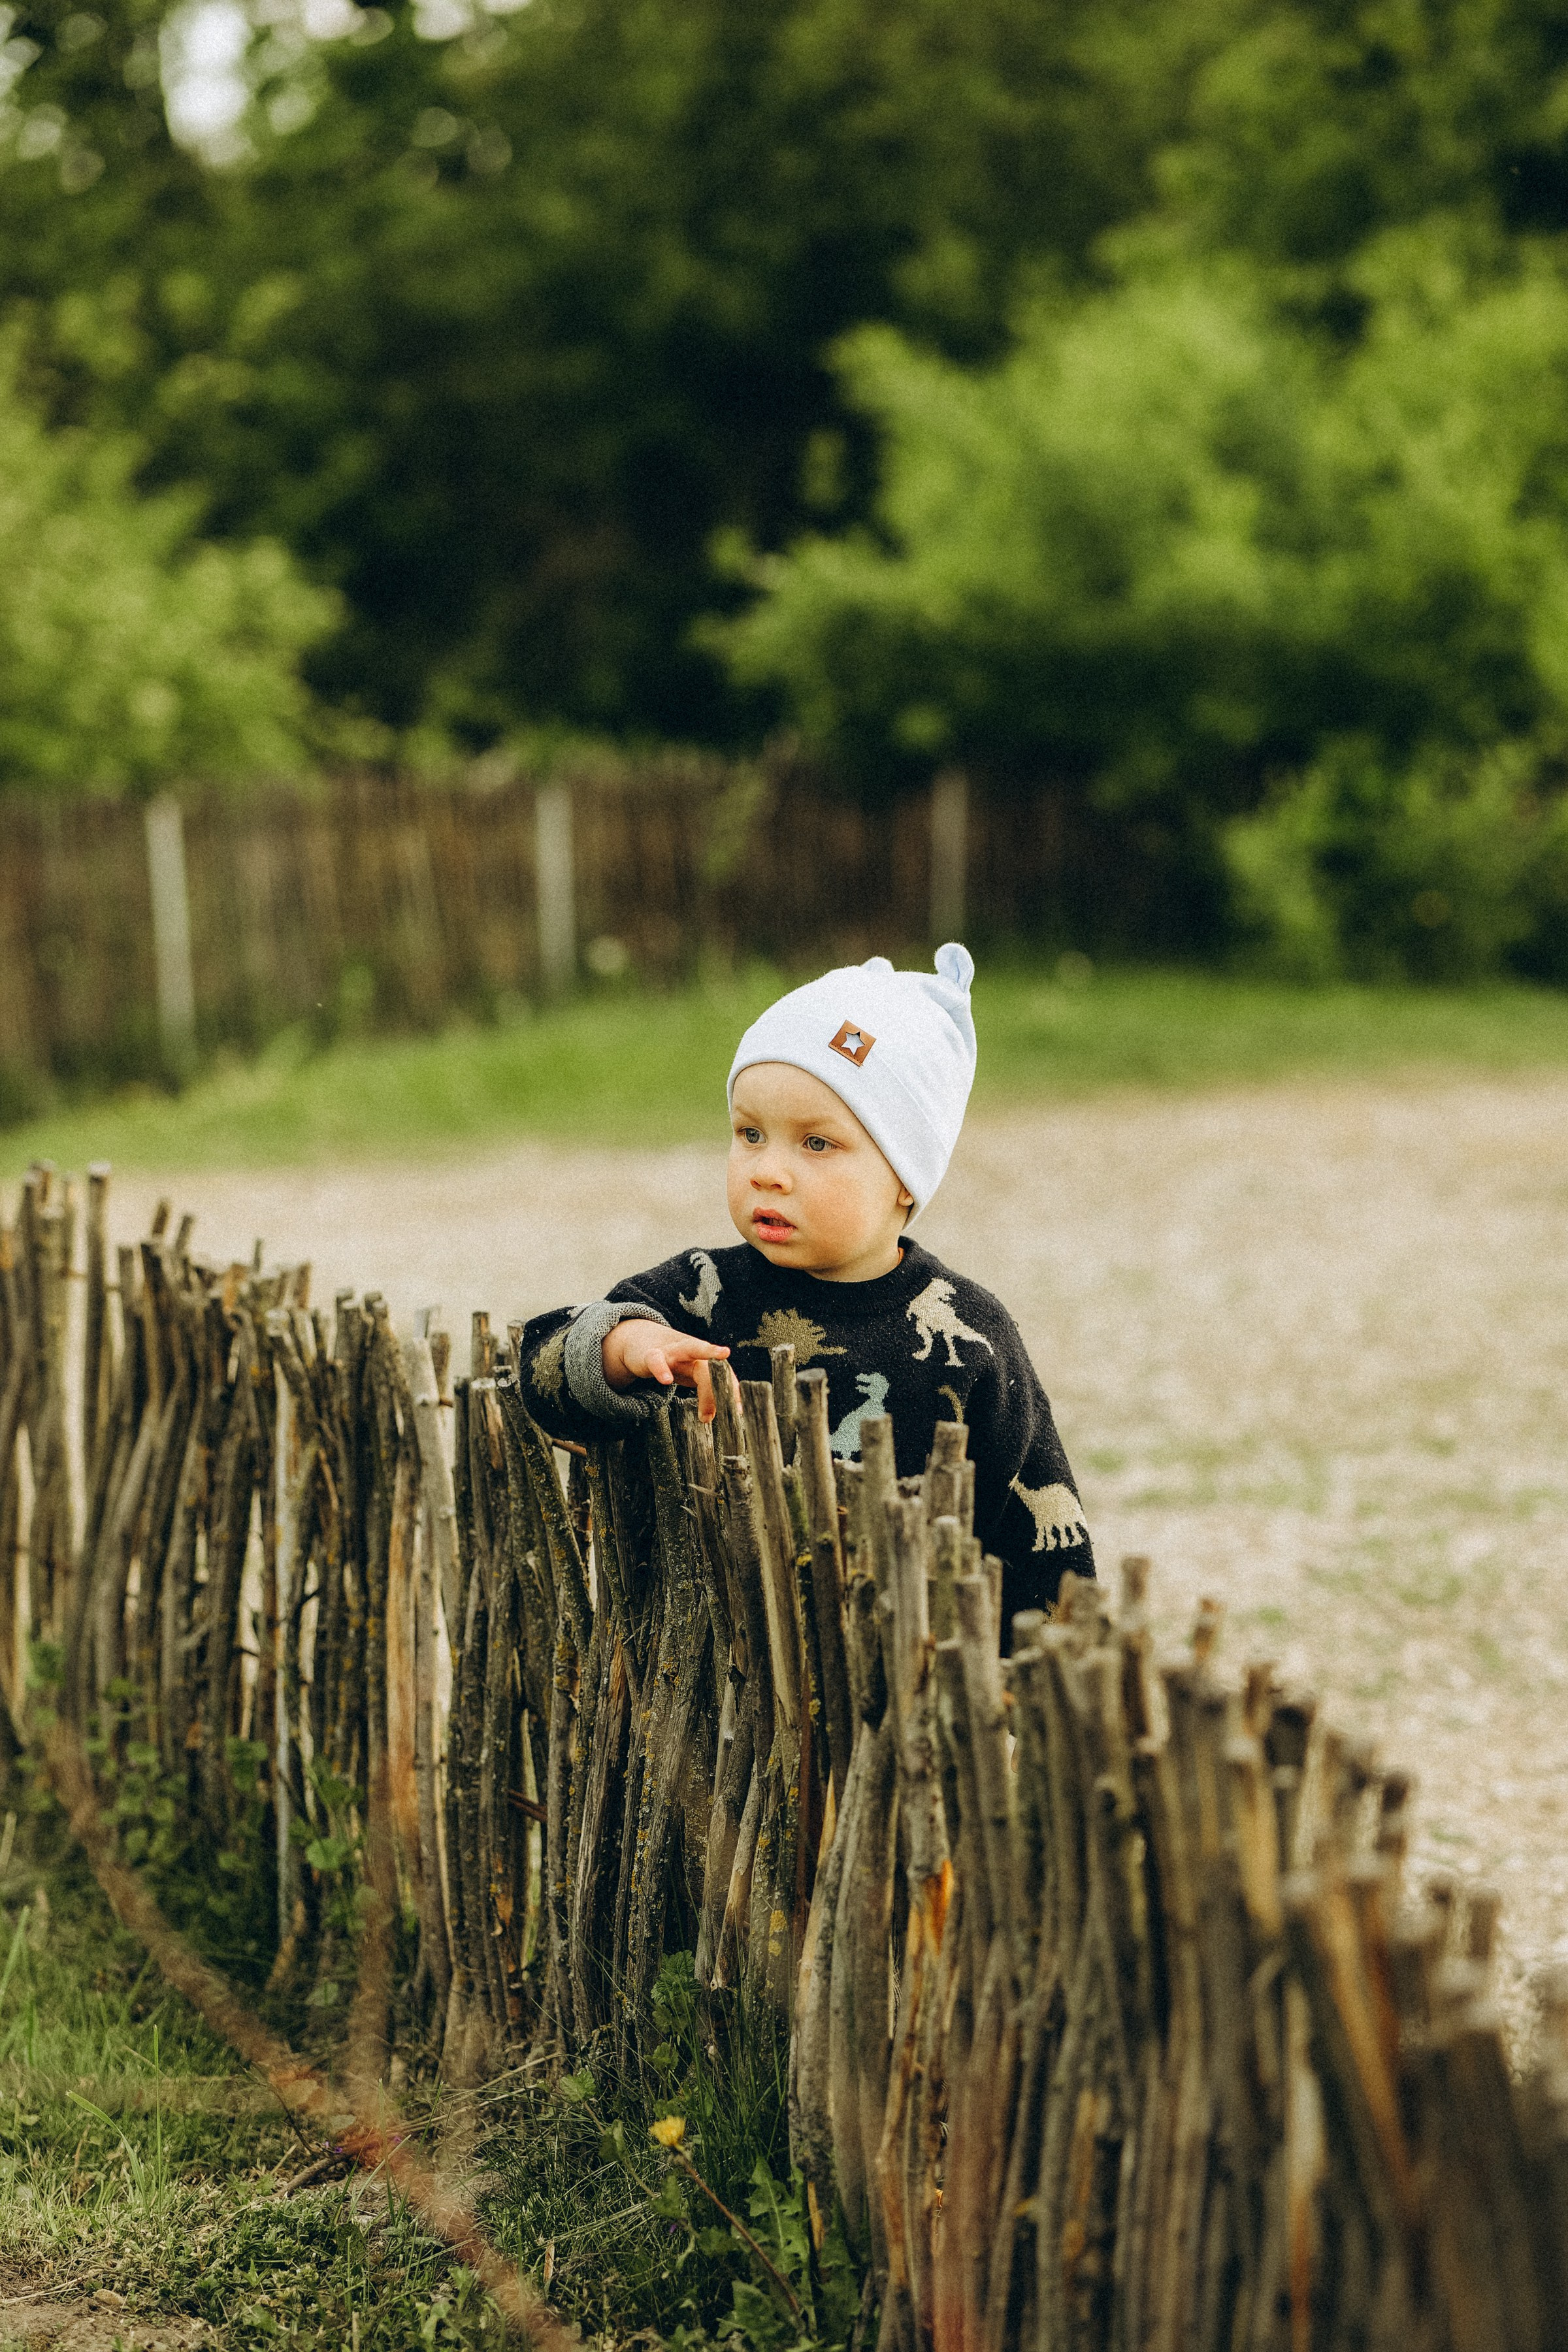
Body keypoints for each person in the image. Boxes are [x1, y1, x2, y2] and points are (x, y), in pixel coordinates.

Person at [516, 943, 1095, 1631]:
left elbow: (1041, 1539)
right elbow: (542, 1366)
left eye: (815, 1144)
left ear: (906, 1173)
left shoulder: (975, 1338)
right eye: (750, 1134)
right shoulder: (703, 1295)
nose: (768, 1171)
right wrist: (627, 1347)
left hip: (911, 1677)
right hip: (724, 1680)